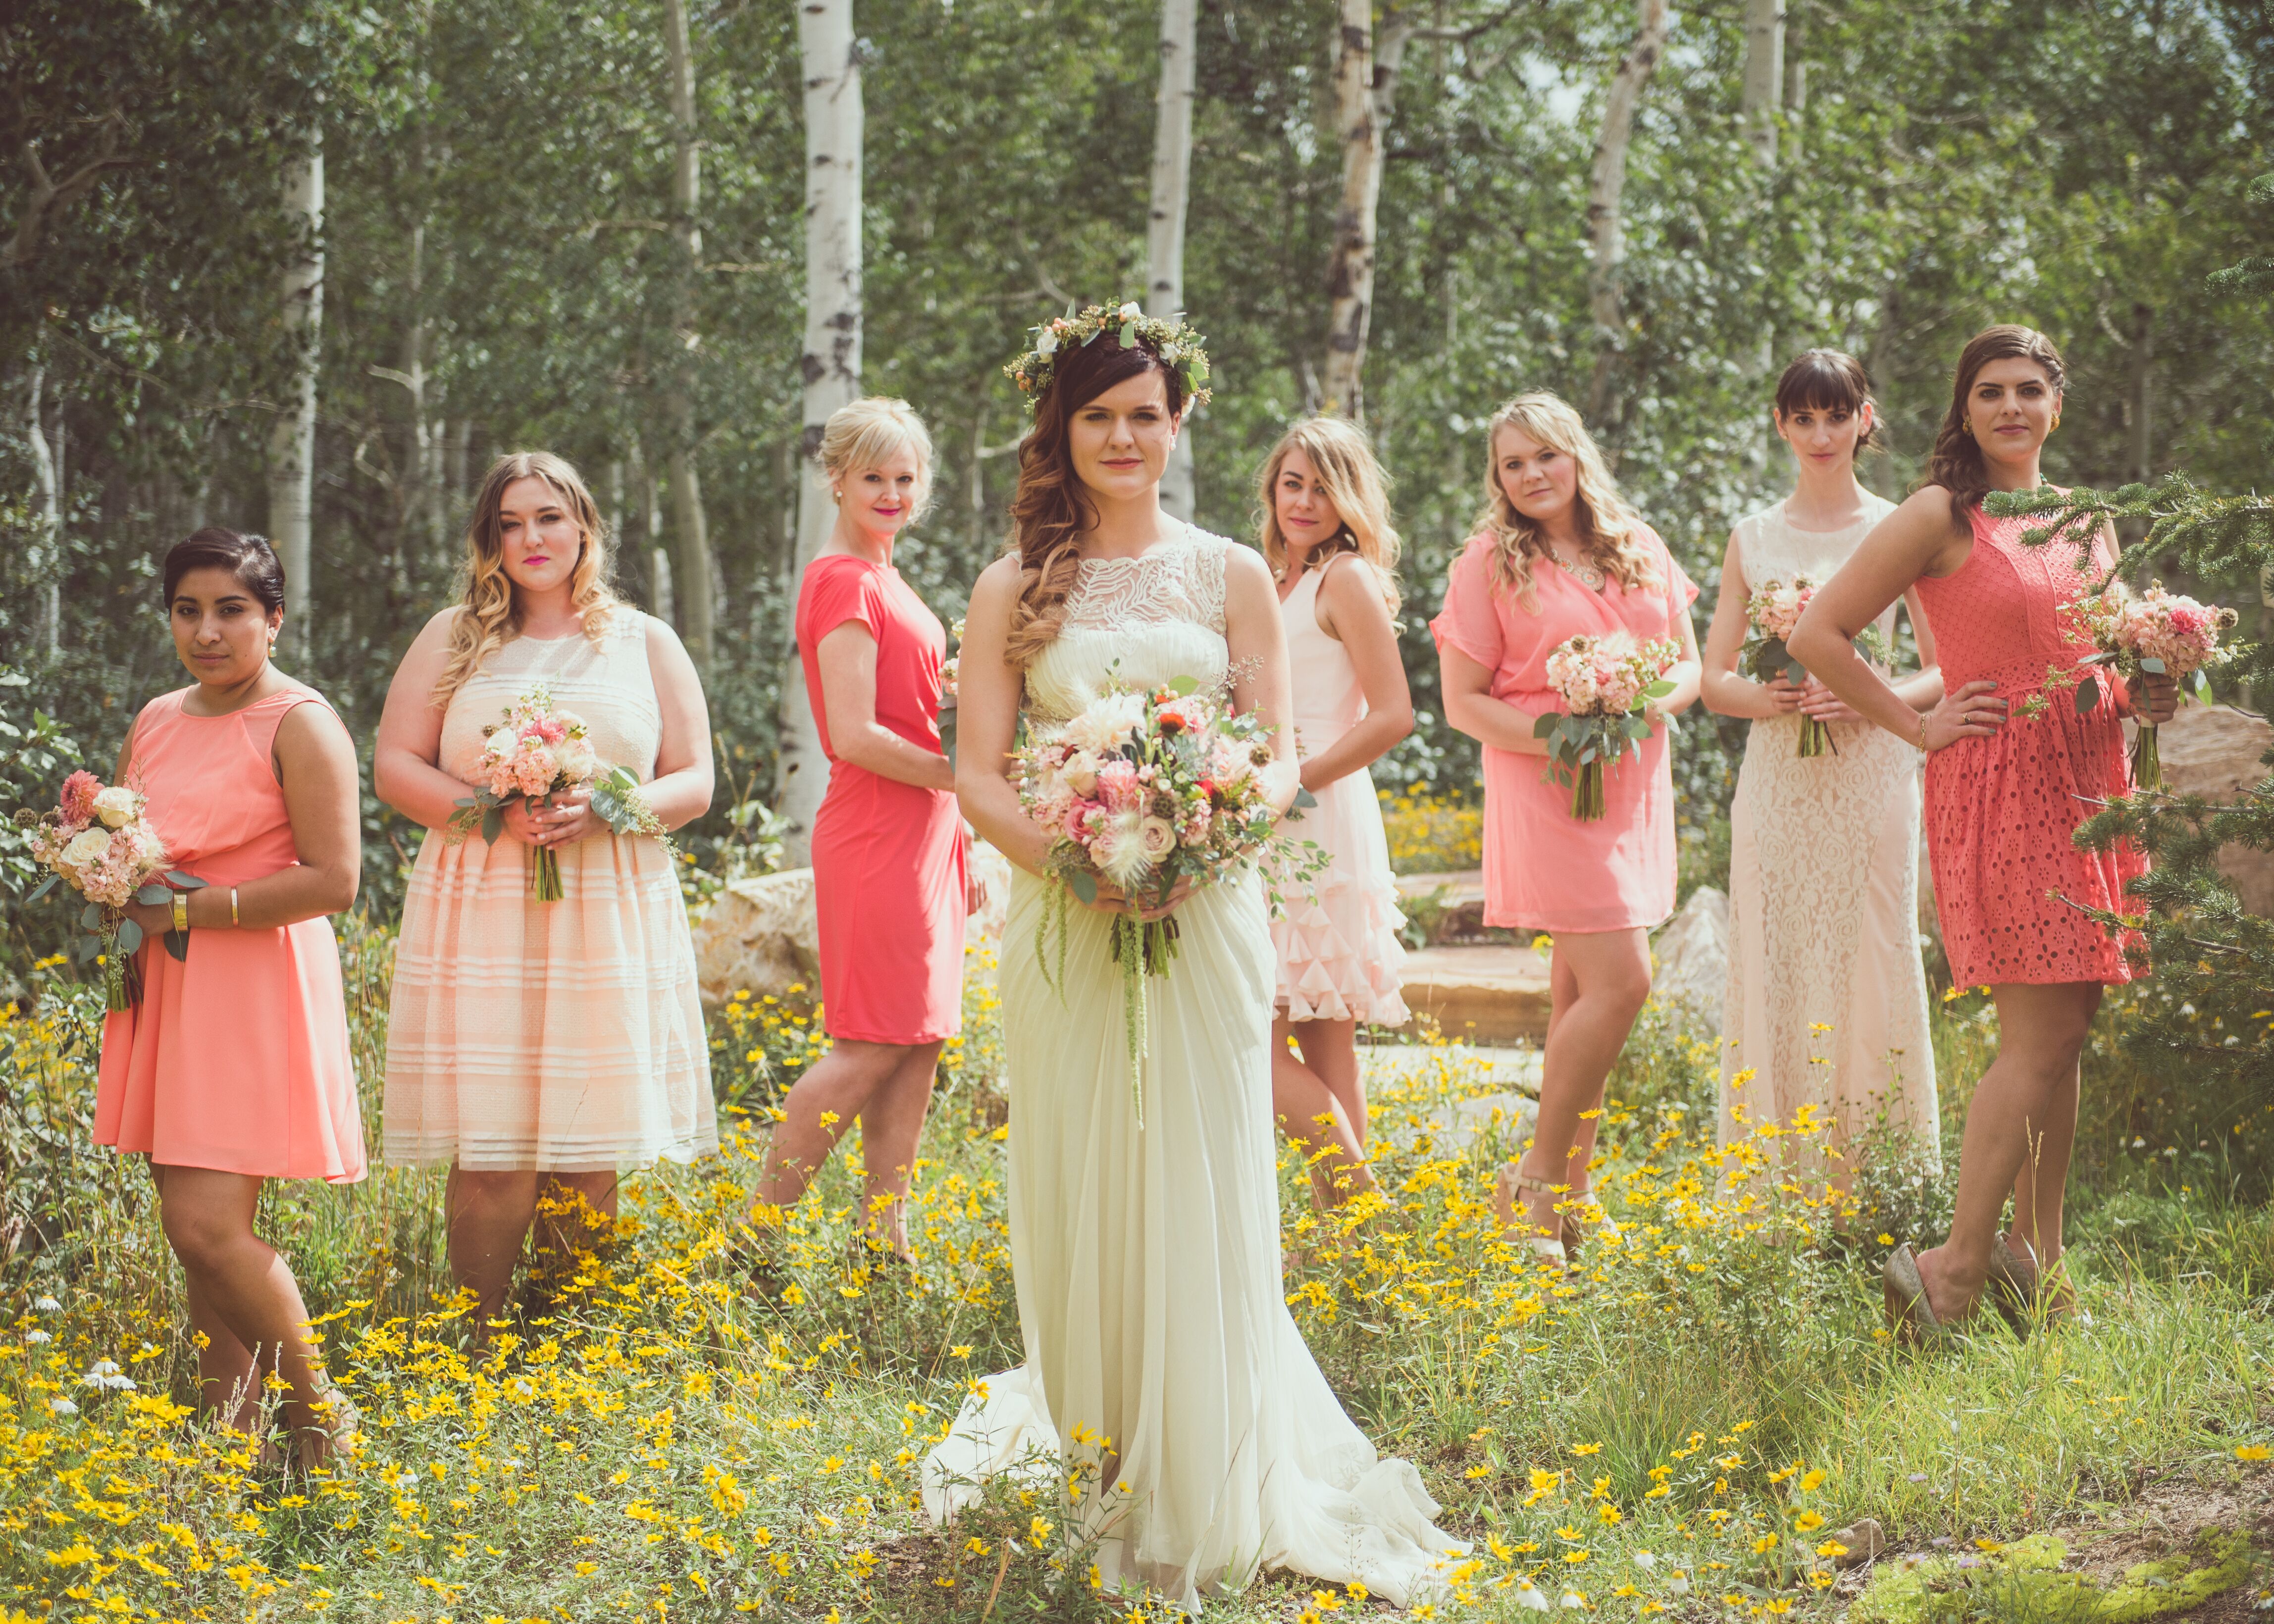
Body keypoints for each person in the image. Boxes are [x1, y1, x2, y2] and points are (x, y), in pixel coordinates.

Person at [923, 304, 1462, 1609]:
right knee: (1084, 1161)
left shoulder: (1229, 574)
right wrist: (1081, 868)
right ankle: (1099, 1452)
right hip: (1066, 917)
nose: (1124, 436)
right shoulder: (1011, 586)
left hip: (1209, 905)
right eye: (1099, 414)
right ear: (1063, 427)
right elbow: (978, 772)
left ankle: (1210, 1477)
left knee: (1203, 1164)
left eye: (1144, 414)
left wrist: (1198, 843)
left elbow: (1275, 748)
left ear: (1179, 424)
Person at [1789, 324, 2175, 1337]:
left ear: (2057, 405)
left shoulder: (2089, 520)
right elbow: (1815, 634)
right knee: (2037, 1033)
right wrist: (1916, 721)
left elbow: (2094, 652)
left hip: (2092, 783)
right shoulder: (1938, 514)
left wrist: (2149, 688)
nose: (2010, 407)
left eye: (2028, 390)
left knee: (2067, 1031)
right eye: (1990, 391)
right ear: (1964, 409)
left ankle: (2038, 1263)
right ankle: (1954, 1265)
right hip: (2000, 789)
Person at [375, 451, 716, 1331]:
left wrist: (611, 805)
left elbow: (696, 780)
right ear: (489, 541)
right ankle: (475, 1343)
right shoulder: (455, 635)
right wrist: (490, 811)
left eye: (549, 519)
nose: (531, 539)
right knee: (491, 1150)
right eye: (510, 524)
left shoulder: (644, 641)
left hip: (605, 909)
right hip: (483, 904)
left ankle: (565, 1346)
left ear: (584, 527)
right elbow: (392, 767)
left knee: (587, 1146)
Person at [98, 528, 364, 1466]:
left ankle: (323, 1422)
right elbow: (139, 846)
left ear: (275, 621)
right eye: (187, 610)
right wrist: (103, 871)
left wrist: (202, 913)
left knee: (205, 1224)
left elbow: (337, 880)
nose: (207, 631)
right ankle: (230, 1447)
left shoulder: (302, 721)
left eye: (231, 610)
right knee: (203, 1238)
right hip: (165, 983)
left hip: (251, 979)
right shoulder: (158, 717)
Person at [1433, 392, 1703, 1266]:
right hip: (1546, 783)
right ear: (1499, 479)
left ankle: (1573, 1192)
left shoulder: (1639, 543)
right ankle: (1539, 1184)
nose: (1531, 475)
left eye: (1544, 456)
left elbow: (1690, 664)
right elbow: (1462, 703)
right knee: (1624, 981)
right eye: (1513, 464)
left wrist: (1634, 703)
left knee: (1579, 994)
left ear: (1576, 455)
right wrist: (1562, 735)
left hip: (1631, 782)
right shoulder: (1488, 562)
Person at [1698, 351, 1941, 1191]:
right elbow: (1713, 678)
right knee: (1777, 955)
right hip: (1778, 780)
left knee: (1875, 952)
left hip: (1872, 775)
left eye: (1836, 416)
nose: (1820, 434)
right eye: (1803, 418)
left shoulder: (1904, 525)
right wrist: (1767, 702)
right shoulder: (1753, 537)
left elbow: (1944, 668)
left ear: (1865, 419)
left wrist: (1865, 694)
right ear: (1780, 426)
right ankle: (1775, 1181)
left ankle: (1881, 1179)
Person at [742, 399, 971, 1263]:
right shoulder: (842, 577)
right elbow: (854, 736)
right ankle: (755, 1242)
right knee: (871, 1039)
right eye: (871, 476)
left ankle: (885, 1246)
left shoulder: (887, 577)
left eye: (905, 478)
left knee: (916, 1040)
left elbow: (899, 705)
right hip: (878, 831)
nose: (889, 491)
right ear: (834, 478)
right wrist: (967, 776)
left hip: (927, 832)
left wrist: (953, 697)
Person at [1256, 416, 1413, 1208]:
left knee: (1255, 1033)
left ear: (1349, 495)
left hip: (1315, 805)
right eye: (1293, 483)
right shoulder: (1264, 577)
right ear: (1273, 490)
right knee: (1321, 1044)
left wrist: (1293, 780)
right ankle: (1349, 1243)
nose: (1306, 501)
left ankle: (1360, 1213)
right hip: (1260, 808)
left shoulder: (1344, 577)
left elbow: (1392, 715)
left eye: (1323, 486)